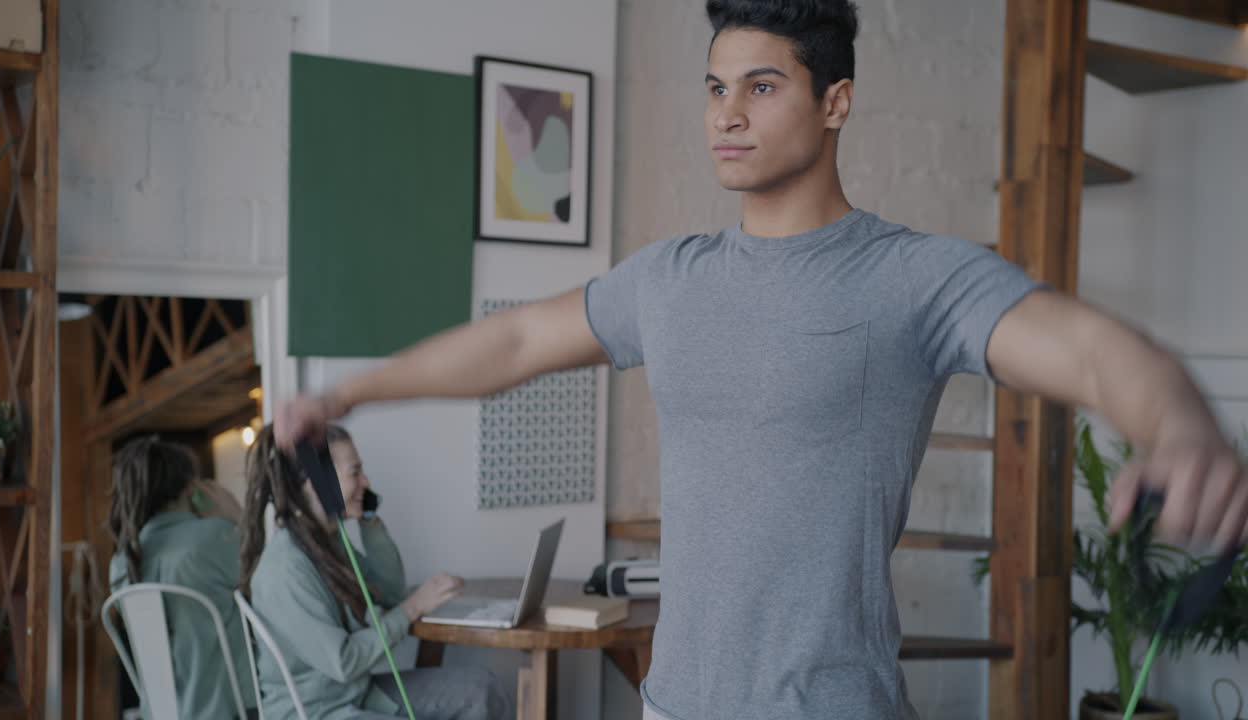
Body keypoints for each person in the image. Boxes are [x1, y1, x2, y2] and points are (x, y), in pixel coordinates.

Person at [273, 1, 1248, 718]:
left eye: (761, 86)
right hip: (671, 705)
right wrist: (350, 391)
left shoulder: (909, 278)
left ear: (835, 103)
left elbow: (1092, 347)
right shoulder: (668, 280)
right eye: (712, 87)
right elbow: (516, 339)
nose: (724, 113)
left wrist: (1180, 424)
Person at [239, 424, 508, 720]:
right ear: (319, 483)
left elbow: (389, 592)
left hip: (359, 694)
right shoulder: (286, 568)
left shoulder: (327, 543)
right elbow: (345, 662)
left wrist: (368, 515)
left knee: (482, 689)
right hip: (317, 712)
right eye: (355, 473)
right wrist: (414, 606)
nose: (366, 481)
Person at [108, 436, 255, 720]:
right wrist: (236, 516)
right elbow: (272, 593)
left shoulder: (120, 563)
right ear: (192, 487)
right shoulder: (218, 536)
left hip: (161, 714)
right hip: (231, 709)